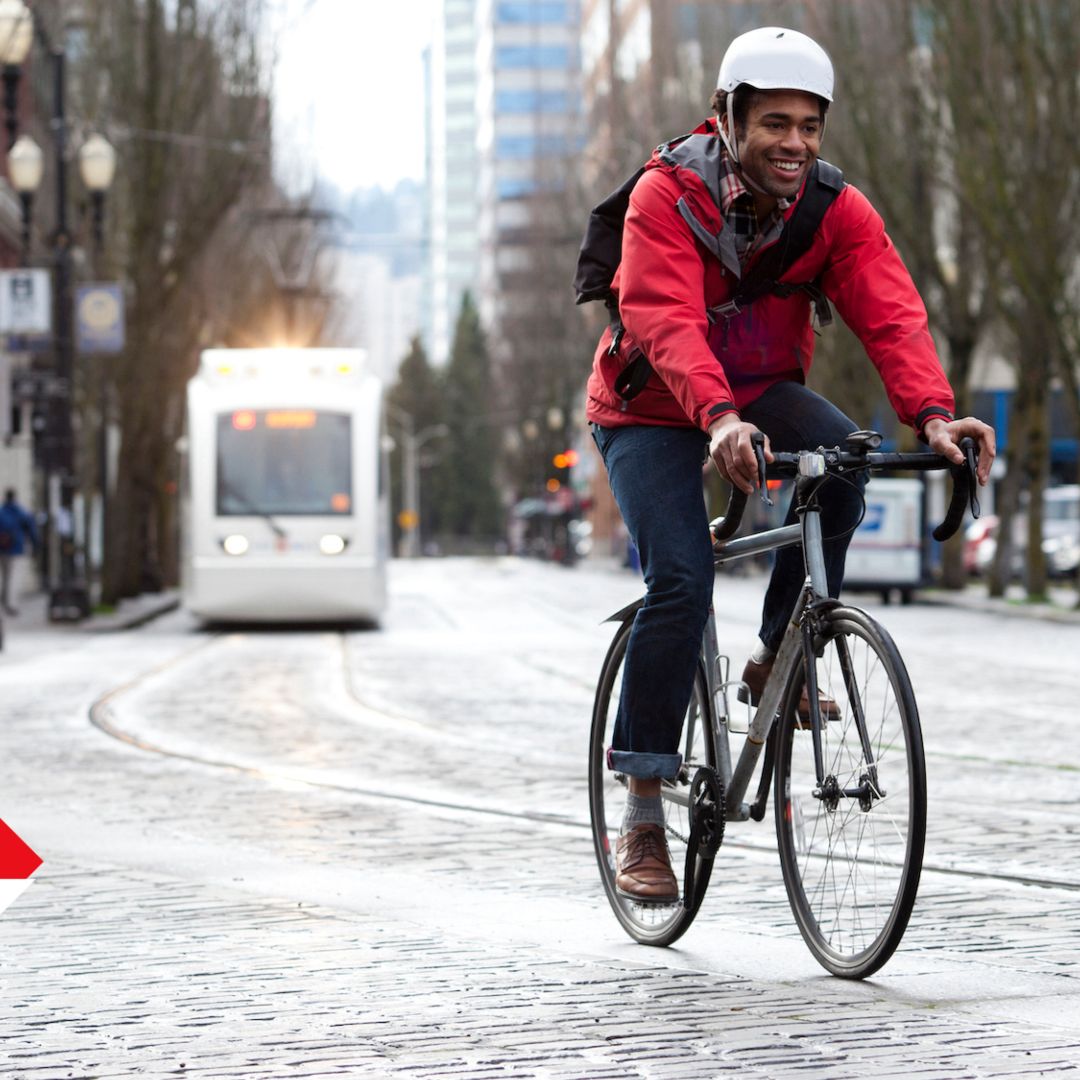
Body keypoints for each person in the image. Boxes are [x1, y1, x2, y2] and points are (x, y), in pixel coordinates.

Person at [584, 26, 996, 902]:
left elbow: (890, 312)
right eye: (776, 122)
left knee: (849, 460)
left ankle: (778, 655)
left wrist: (933, 414)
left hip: (760, 388)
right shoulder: (667, 196)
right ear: (728, 118)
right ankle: (645, 805)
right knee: (683, 581)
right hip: (651, 405)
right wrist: (720, 416)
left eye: (811, 126)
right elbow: (662, 319)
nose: (796, 143)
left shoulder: (834, 209)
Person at [0, 488, 40, 616]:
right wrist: (36, 546)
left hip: (2, 550)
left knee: (4, 577)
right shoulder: (22, 512)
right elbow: (32, 530)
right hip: (17, 549)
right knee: (13, 578)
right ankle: (11, 604)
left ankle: (5, 601)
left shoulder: (1, 512)